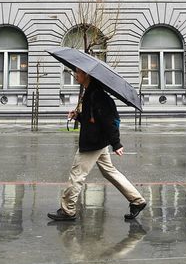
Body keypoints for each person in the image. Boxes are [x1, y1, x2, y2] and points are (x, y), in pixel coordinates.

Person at [48, 68, 147, 222]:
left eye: (78, 72)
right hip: (97, 141)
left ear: (86, 75)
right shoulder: (90, 92)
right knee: (110, 172)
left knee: (77, 175)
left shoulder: (97, 95)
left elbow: (109, 121)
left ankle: (68, 210)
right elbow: (91, 119)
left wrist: (116, 143)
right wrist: (77, 116)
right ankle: (137, 201)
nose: (75, 75)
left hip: (93, 143)